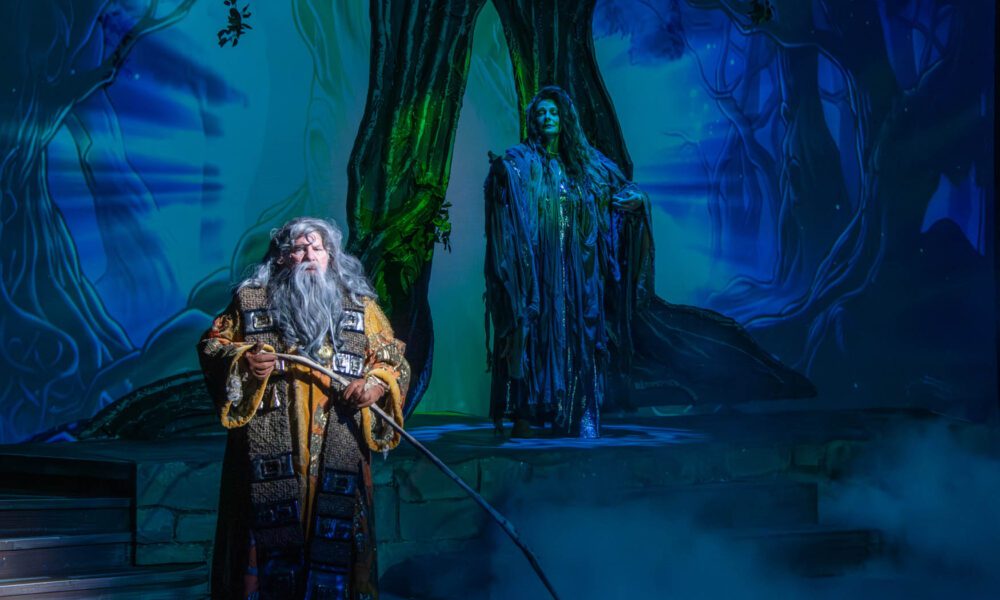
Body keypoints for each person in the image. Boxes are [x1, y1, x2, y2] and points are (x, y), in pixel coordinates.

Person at [484, 86, 814, 438]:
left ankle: (576, 413)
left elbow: (621, 189)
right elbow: (508, 174)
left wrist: (638, 200)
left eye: (553, 112)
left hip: (581, 277)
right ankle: (527, 412)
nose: (547, 118)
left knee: (580, 339)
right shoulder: (525, 161)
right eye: (541, 113)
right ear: (533, 121)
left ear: (565, 119)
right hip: (541, 272)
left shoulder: (587, 163)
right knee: (536, 335)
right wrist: (501, 171)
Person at [198, 217, 409, 600]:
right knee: (264, 545)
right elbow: (213, 345)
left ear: (332, 257)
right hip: (268, 455)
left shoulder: (361, 307)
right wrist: (244, 360)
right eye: (300, 248)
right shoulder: (250, 303)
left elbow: (392, 359)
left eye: (318, 247)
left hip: (337, 448)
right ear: (282, 258)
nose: (310, 254)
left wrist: (376, 385)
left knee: (337, 547)